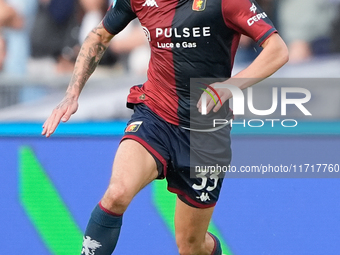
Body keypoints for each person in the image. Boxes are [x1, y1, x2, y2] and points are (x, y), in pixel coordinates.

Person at [42, 0, 288, 254]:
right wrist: (72, 93)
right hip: (155, 116)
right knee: (117, 193)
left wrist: (229, 86)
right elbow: (100, 34)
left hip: (206, 132)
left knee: (191, 245)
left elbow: (278, 50)